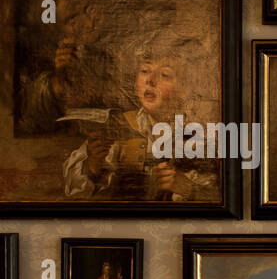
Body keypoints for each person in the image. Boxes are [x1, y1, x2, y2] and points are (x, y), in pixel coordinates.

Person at [63, 43, 218, 203]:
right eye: (145, 71)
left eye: (164, 74)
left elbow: (221, 194)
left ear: (184, 89)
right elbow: (74, 191)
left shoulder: (199, 136)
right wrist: (93, 166)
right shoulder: (118, 126)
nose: (150, 80)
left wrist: (189, 189)